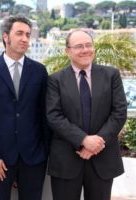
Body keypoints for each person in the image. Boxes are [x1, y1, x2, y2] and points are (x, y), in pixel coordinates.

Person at [46, 29, 127, 200]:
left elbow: (119, 113)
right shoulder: (55, 80)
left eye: (89, 45)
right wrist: (83, 140)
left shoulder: (111, 75)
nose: (85, 50)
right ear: (67, 51)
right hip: (67, 159)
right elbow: (54, 116)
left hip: (102, 158)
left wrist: (96, 143)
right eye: (79, 46)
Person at [0, 16, 50, 200]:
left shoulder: (39, 71)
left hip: (33, 158)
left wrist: (44, 153)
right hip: (0, 158)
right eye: (19, 33)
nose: (25, 38)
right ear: (6, 37)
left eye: (28, 34)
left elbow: (44, 115)